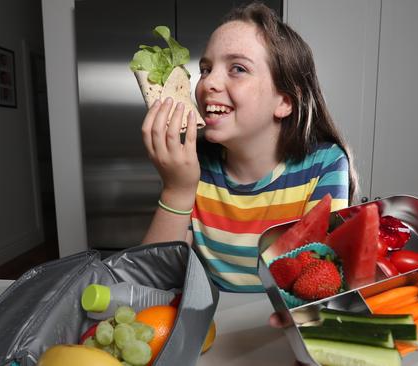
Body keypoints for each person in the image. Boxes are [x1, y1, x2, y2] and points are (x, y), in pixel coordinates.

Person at [141, 2, 357, 294]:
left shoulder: (325, 166)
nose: (207, 83)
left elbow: (323, 279)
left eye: (238, 69)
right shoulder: (194, 166)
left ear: (284, 101)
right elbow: (150, 285)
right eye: (206, 69)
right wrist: (176, 191)